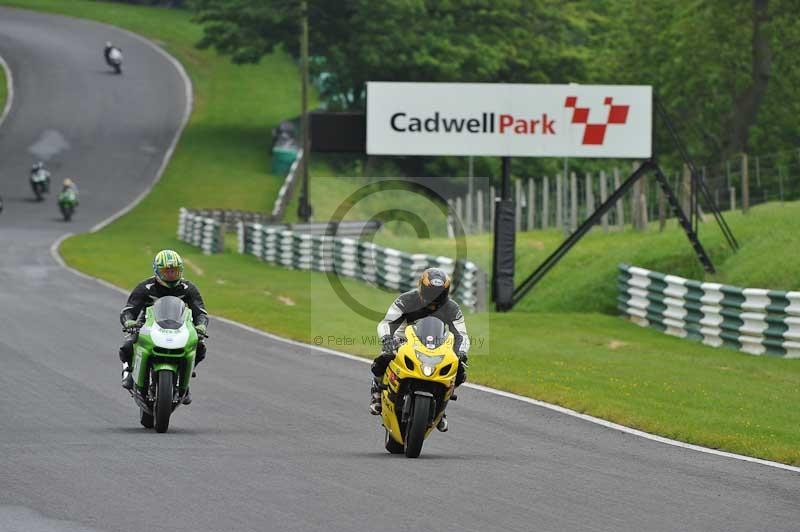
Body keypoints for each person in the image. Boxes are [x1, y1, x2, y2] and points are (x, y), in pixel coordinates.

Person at [369, 267, 469, 432]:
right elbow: (386, 322)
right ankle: (377, 391)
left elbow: (461, 334)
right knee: (385, 356)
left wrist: (461, 352)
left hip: (437, 343)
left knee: (459, 370)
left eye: (439, 294)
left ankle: (441, 407)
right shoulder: (406, 300)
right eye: (431, 293)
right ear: (421, 287)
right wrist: (387, 339)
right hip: (404, 338)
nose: (434, 299)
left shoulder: (452, 308)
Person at [119, 250, 208, 405]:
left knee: (200, 348)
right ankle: (129, 372)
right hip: (147, 325)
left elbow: (201, 312)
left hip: (180, 326)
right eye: (167, 271)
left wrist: (201, 326)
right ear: (157, 271)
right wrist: (129, 322)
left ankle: (184, 380)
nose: (171, 275)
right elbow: (129, 310)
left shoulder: (188, 288)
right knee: (127, 346)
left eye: (175, 271)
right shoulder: (146, 287)